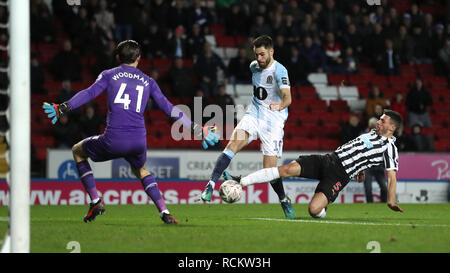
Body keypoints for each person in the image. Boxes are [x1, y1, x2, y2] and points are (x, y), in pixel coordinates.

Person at [43, 40, 219, 224]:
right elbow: (169, 108)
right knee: (141, 170)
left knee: (77, 151)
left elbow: (89, 93)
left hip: (114, 138)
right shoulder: (149, 81)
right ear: (139, 59)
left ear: (118, 57)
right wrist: (196, 128)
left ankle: (95, 200)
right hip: (138, 140)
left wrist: (64, 107)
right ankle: (164, 212)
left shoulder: (109, 75)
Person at [230, 110, 404, 218]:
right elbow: (361, 152)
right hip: (328, 160)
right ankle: (241, 181)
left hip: (340, 175)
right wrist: (362, 168)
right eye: (380, 119)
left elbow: (392, 177)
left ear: (392, 128)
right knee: (287, 169)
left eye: (382, 120)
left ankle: (324, 207)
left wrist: (390, 200)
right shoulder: (371, 133)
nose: (378, 122)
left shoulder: (390, 148)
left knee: (313, 210)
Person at [200, 35, 296, 219]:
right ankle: (210, 186)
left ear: (271, 51)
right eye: (256, 55)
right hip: (254, 114)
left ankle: (284, 199)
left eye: (262, 55)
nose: (258, 59)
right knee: (232, 146)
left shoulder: (280, 71)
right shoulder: (253, 66)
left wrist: (280, 106)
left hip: (273, 122)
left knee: (270, 171)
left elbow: (288, 98)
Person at [363, 117, 388, 203]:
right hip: (368, 166)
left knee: (384, 188)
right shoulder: (364, 136)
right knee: (368, 188)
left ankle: (383, 203)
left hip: (378, 166)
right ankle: (370, 204)